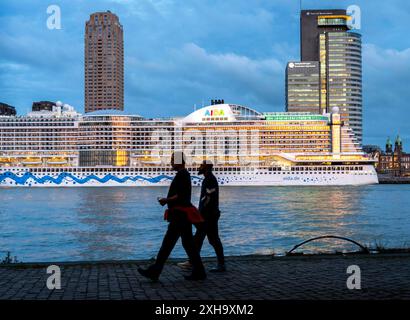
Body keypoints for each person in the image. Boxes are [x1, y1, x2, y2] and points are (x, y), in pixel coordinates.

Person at [138, 151, 206, 281]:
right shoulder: (183, 174)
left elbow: (179, 196)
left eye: (173, 160)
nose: (171, 162)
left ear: (179, 161)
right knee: (188, 244)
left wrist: (166, 200)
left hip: (179, 216)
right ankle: (199, 271)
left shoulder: (182, 175)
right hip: (182, 215)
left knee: (167, 244)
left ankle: (156, 271)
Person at [178, 160, 226, 272]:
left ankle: (193, 262)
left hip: (208, 215)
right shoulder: (208, 179)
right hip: (210, 214)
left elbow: (208, 197)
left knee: (201, 239)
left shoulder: (209, 180)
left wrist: (201, 211)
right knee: (211, 240)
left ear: (207, 168)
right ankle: (220, 264)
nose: (199, 168)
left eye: (201, 166)